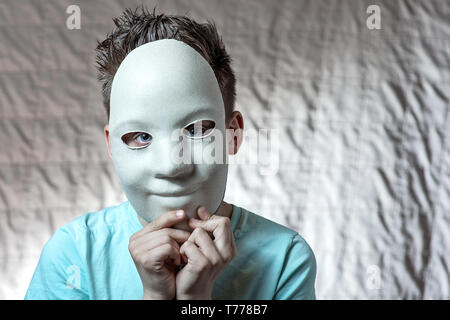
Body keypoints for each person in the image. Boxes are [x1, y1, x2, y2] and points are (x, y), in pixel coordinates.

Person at [24, 5, 316, 300]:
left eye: (198, 129)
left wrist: (196, 300)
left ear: (233, 134)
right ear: (111, 145)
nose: (171, 166)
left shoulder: (284, 259)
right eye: (140, 136)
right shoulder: (74, 253)